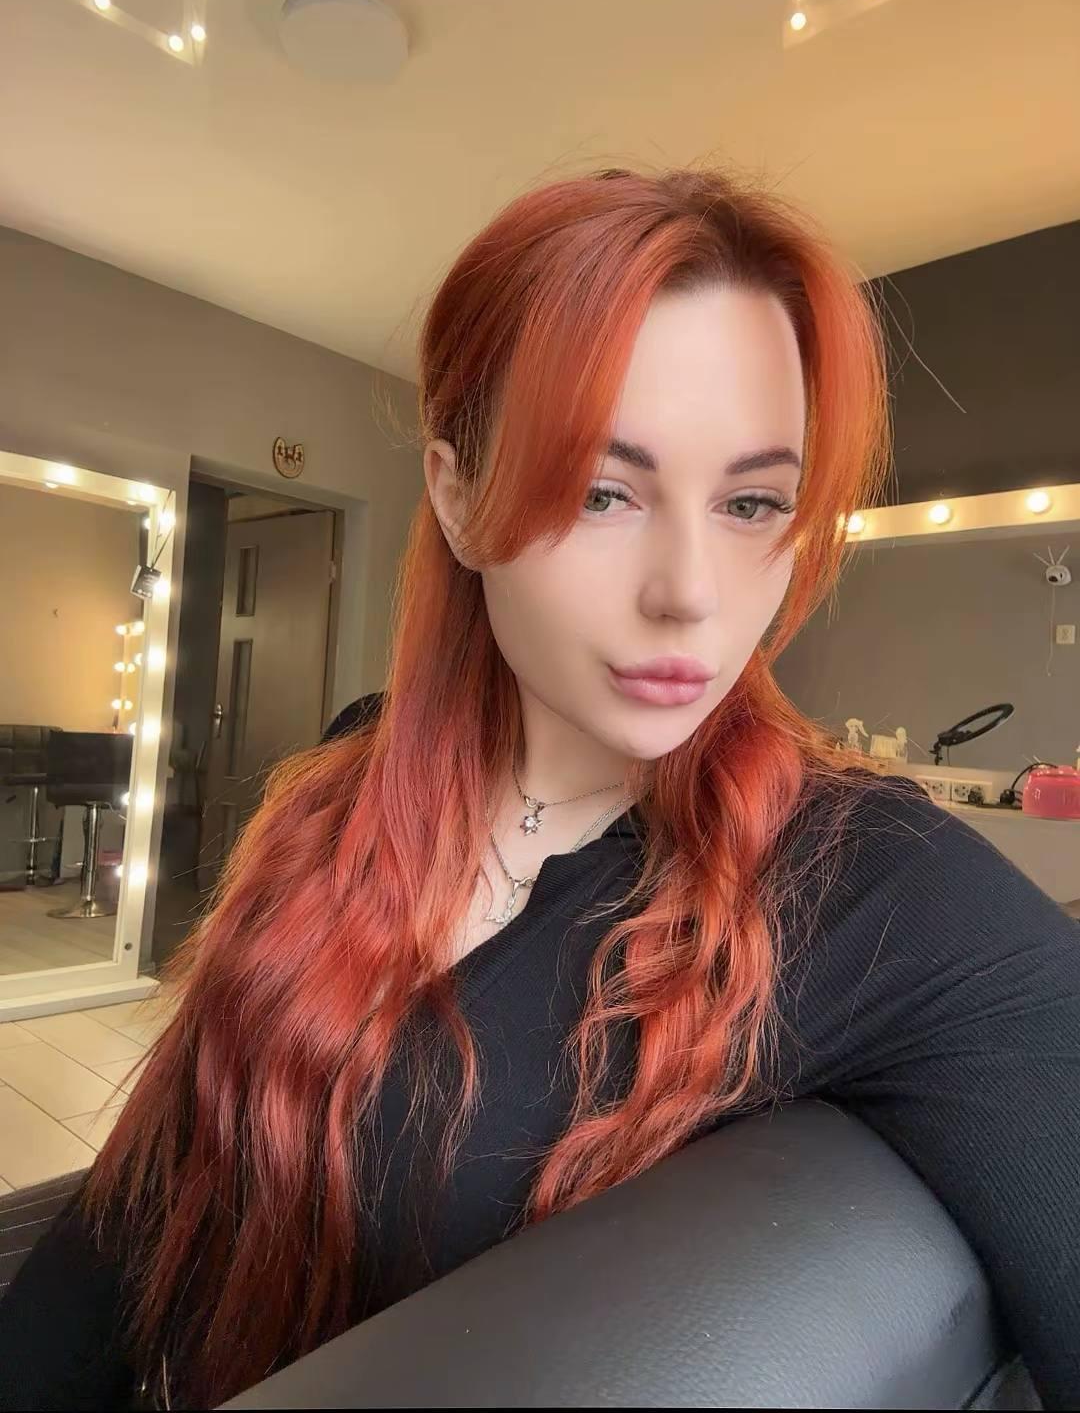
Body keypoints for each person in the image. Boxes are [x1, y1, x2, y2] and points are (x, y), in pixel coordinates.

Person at [2, 168, 1078, 1411]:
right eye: (602, 492)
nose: (690, 592)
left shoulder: (869, 883)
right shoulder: (351, 774)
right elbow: (141, 1206)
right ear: (460, 499)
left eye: (752, 504)